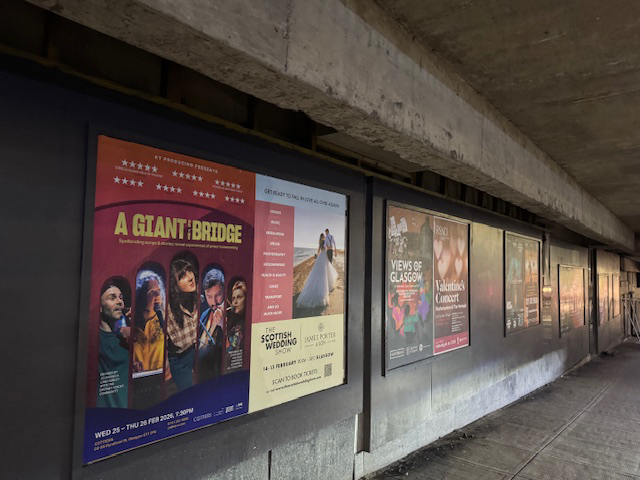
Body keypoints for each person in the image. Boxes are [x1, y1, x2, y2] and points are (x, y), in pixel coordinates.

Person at [166, 253, 198, 391]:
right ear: (175, 285)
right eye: (183, 276)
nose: (190, 277)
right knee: (188, 394)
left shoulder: (199, 298)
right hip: (180, 359)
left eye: (190, 271)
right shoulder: (168, 309)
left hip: (197, 351)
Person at [97, 278, 131, 408]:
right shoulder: (97, 340)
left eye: (121, 297)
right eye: (112, 298)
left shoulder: (126, 337)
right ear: (100, 307)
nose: (119, 302)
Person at [132, 270, 165, 373]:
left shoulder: (163, 321)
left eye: (158, 291)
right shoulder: (130, 322)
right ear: (141, 296)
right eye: (152, 292)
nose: (157, 295)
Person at [296, 233, 338, 308]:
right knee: (324, 270)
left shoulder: (321, 242)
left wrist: (317, 255)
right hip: (323, 256)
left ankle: (325, 285)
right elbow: (325, 248)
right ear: (322, 237)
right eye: (323, 236)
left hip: (321, 256)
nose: (324, 237)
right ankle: (326, 286)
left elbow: (319, 250)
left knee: (321, 271)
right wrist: (329, 248)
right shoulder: (324, 242)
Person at [197, 267, 225, 382]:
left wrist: (223, 325)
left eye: (218, 294)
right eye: (209, 296)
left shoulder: (230, 315)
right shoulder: (204, 315)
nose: (214, 302)